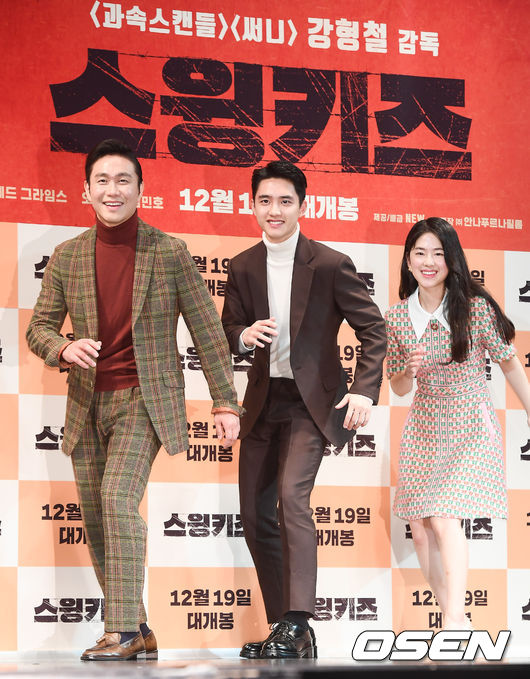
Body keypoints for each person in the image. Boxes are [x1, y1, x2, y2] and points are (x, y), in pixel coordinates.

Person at [26, 139, 241, 660]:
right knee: (98, 517)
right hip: (84, 405)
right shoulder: (68, 255)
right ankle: (138, 626)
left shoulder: (167, 252)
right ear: (85, 191)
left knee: (118, 501)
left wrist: (225, 401)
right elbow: (38, 328)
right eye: (102, 180)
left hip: (144, 400)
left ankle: (119, 630)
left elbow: (208, 329)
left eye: (124, 180)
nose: (113, 190)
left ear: (141, 190)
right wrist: (64, 346)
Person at [221, 160, 387, 658]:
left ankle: (298, 620)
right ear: (253, 205)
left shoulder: (331, 264)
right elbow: (229, 330)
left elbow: (374, 331)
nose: (274, 210)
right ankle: (286, 628)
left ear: (302, 205)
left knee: (291, 500)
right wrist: (244, 336)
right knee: (253, 512)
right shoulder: (243, 266)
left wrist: (363, 390)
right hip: (261, 403)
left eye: (285, 201)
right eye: (265, 201)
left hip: (310, 406)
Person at [385, 217, 530, 630]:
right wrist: (407, 372)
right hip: (424, 426)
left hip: (469, 422)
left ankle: (449, 624)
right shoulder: (396, 318)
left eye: (439, 253)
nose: (429, 262)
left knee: (446, 518)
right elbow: (396, 388)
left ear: (452, 260)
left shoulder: (474, 308)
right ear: (408, 261)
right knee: (420, 529)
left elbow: (509, 363)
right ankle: (460, 619)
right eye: (420, 253)